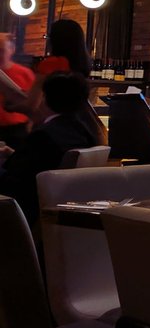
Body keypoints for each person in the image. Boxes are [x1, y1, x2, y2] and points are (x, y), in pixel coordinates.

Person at [0, 72, 96, 223]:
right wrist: (12, 154)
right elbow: (41, 163)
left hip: (25, 210)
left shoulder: (44, 135)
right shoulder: (83, 131)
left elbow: (16, 182)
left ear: (45, 98)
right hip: (58, 203)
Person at [0, 33, 34, 146]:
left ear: (12, 49)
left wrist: (31, 125)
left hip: (17, 130)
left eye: (1, 50)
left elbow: (35, 103)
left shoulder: (24, 73)